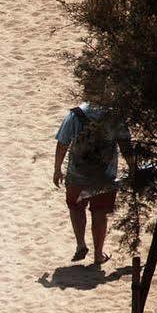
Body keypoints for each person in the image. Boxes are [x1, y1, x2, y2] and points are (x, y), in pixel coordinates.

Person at [54, 101, 126, 267]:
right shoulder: (114, 116)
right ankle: (98, 254)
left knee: (76, 207)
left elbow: (62, 143)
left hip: (77, 173)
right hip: (105, 175)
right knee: (99, 213)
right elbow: (125, 144)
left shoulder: (75, 115)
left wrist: (57, 169)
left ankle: (81, 244)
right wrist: (132, 167)